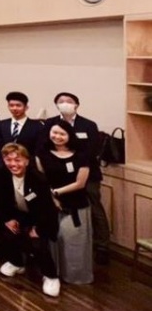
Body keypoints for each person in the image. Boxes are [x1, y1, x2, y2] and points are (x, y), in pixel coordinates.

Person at [45, 91, 109, 264]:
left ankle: (102, 246)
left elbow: (91, 150)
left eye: (69, 101)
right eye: (61, 101)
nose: (65, 103)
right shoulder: (50, 123)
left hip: (87, 174)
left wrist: (76, 167)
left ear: (77, 105)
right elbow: (44, 147)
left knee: (95, 208)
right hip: (58, 174)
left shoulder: (88, 125)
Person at [0, 143, 60, 297]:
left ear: (27, 161)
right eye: (8, 160)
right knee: (7, 233)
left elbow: (47, 209)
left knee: (38, 243)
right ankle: (16, 263)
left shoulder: (38, 179)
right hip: (16, 214)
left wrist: (38, 228)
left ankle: (50, 276)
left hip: (40, 218)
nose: (13, 164)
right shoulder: (0, 174)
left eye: (18, 160)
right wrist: (7, 219)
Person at [36, 122, 93, 284]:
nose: (57, 137)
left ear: (70, 135)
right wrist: (52, 197)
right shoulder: (42, 154)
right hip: (50, 204)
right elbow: (41, 179)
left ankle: (75, 276)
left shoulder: (82, 155)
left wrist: (57, 192)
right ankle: (53, 274)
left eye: (62, 134)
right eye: (54, 133)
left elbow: (80, 183)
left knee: (73, 241)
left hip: (76, 204)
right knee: (54, 239)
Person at [0, 91, 45, 164]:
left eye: (18, 105)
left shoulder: (37, 126)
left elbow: (39, 149)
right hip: (5, 165)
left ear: (26, 107)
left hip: (29, 165)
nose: (14, 108)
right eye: (11, 105)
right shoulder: (2, 125)